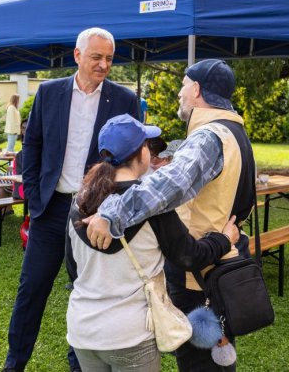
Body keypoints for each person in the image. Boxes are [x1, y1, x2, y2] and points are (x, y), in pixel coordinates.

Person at [85, 59, 256, 372]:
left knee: (198, 362)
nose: (179, 93)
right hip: (224, 259)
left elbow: (169, 186)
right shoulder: (234, 131)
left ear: (196, 88)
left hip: (199, 272)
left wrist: (112, 211)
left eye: (183, 86)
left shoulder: (209, 136)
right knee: (217, 353)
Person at [1, 27, 141, 372]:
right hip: (51, 209)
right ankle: (14, 363)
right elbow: (30, 145)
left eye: (109, 58)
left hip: (95, 214)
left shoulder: (124, 99)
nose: (104, 64)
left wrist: (111, 208)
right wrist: (33, 197)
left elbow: (133, 158)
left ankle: (79, 365)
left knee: (89, 293)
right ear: (77, 56)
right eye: (96, 57)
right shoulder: (49, 93)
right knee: (32, 288)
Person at [65, 114, 239, 372]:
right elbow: (189, 256)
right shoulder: (153, 209)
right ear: (142, 152)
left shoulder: (79, 200)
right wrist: (224, 239)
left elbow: (72, 268)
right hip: (130, 334)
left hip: (82, 329)